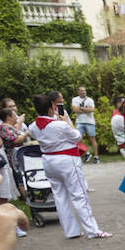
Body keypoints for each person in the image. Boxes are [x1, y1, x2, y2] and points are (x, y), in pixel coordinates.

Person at [27, 90, 110, 239]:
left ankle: (71, 231)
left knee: (60, 197)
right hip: (66, 160)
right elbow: (77, 136)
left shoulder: (33, 126)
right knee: (79, 195)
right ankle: (93, 230)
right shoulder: (59, 125)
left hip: (48, 161)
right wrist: (65, 121)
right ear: (51, 108)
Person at [71, 86, 99, 163]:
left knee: (92, 139)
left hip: (90, 122)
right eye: (82, 91)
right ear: (78, 92)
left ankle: (96, 157)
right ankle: (87, 153)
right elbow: (75, 109)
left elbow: (92, 110)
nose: (84, 92)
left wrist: (81, 109)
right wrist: (86, 110)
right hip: (79, 121)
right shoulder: (75, 99)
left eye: (84, 90)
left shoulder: (90, 100)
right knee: (77, 138)